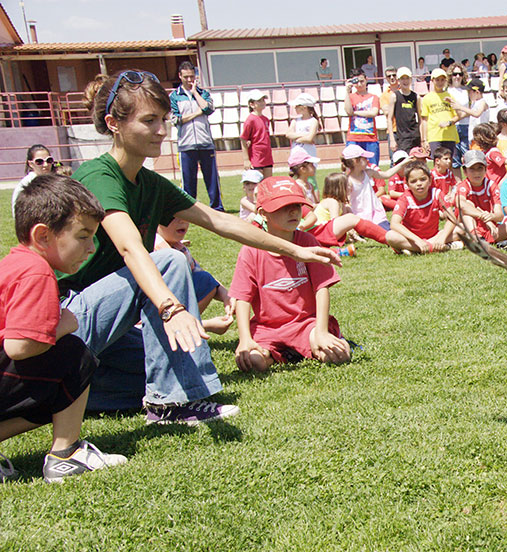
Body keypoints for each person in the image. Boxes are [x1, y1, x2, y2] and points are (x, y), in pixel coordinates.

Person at [64, 70, 338, 421]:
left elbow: (221, 221)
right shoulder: (99, 176)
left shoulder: (150, 182)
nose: (162, 130)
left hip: (108, 327)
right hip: (70, 318)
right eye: (149, 120)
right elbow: (131, 248)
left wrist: (296, 250)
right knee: (171, 262)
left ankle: (69, 391)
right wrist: (170, 309)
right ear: (113, 123)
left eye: (164, 119)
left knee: (162, 373)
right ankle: (169, 405)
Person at [0, 175, 127, 483]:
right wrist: (63, 325)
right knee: (74, 355)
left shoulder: (15, 263)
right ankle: (66, 454)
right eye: (83, 236)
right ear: (43, 236)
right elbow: (18, 346)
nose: (92, 247)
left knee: (56, 390)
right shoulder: (36, 271)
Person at [232, 177, 350, 373]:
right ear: (262, 213)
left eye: (296, 205)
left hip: (305, 324)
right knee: (253, 362)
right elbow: (242, 298)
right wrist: (245, 339)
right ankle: (283, 354)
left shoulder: (308, 241)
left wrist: (320, 331)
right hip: (267, 329)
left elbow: (322, 288)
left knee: (338, 354)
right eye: (283, 207)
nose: (294, 211)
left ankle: (304, 347)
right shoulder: (250, 250)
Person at [154, 217, 233, 335]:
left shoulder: (178, 247)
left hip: (170, 307)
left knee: (204, 280)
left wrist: (226, 296)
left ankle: (187, 326)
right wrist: (208, 325)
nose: (182, 221)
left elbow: (203, 276)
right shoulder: (154, 249)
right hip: (150, 318)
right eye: (173, 217)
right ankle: (193, 326)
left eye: (185, 216)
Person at [170, 61, 223, 211]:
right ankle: (189, 208)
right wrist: (197, 113)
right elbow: (176, 120)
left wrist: (195, 93)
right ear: (180, 76)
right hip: (186, 144)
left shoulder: (203, 93)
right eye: (186, 77)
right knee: (188, 180)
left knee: (212, 178)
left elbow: (208, 108)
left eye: (192, 76)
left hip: (205, 142)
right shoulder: (174, 96)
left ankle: (217, 207)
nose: (189, 80)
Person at [456, 150, 507, 247]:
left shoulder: (491, 185)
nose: (476, 173)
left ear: (486, 169)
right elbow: (461, 205)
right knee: (467, 208)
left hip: (491, 230)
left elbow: (499, 214)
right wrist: (485, 218)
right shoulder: (463, 186)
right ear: (465, 171)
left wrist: (492, 217)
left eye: (480, 168)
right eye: (472, 169)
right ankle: (476, 238)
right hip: (468, 229)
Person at [390, 162, 462, 254]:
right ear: (407, 184)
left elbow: (452, 219)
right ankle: (437, 247)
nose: (419, 184)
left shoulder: (437, 194)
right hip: (412, 239)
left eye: (423, 179)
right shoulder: (405, 198)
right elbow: (394, 224)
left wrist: (442, 238)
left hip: (435, 236)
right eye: (413, 181)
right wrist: (417, 240)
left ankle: (415, 249)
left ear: (430, 180)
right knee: (390, 236)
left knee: (461, 228)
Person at [420, 69, 461, 158]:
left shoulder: (450, 96)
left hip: (449, 135)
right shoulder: (427, 98)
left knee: (449, 163)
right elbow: (424, 120)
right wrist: (424, 140)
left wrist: (449, 122)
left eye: (442, 80)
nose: (440, 82)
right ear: (432, 81)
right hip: (434, 136)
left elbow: (457, 116)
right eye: (437, 80)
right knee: (437, 163)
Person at [345, 69, 381, 166]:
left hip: (370, 138)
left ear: (366, 80)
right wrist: (347, 92)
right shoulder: (351, 97)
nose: (360, 84)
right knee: (352, 167)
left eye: (362, 81)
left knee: (373, 167)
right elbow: (348, 111)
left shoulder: (374, 97)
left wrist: (355, 112)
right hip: (353, 137)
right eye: (356, 82)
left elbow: (373, 112)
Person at [385, 67, 421, 154]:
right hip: (402, 137)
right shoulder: (394, 96)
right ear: (399, 80)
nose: (405, 81)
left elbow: (420, 119)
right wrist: (392, 140)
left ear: (411, 79)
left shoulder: (416, 97)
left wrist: (423, 139)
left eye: (407, 78)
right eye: (402, 79)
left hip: (415, 136)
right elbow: (389, 119)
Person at [10, 144, 55, 214]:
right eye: (39, 161)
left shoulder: (56, 180)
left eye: (49, 160)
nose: (45, 165)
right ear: (30, 164)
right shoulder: (25, 185)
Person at [240, 89, 273, 178]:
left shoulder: (266, 119)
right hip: (256, 156)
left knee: (268, 183)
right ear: (252, 104)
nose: (262, 102)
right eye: (259, 101)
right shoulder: (250, 120)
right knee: (257, 183)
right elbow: (243, 139)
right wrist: (246, 159)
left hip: (267, 155)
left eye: (263, 100)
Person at [447, 66, 471, 168]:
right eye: (455, 74)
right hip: (452, 126)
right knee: (455, 159)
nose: (457, 77)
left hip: (465, 125)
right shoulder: (446, 90)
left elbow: (471, 109)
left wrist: (461, 115)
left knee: (468, 157)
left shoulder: (467, 91)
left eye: (460, 74)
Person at [285, 93, 320, 158]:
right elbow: (288, 134)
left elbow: (309, 139)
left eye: (297, 106)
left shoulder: (313, 121)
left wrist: (295, 139)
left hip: (308, 152)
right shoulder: (295, 121)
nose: (295, 108)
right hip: (296, 151)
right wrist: (304, 134)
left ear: (304, 108)